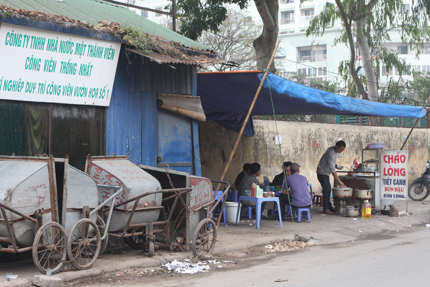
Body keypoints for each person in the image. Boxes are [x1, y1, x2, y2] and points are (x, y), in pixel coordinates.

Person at [317, 140, 346, 214]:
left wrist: (337, 166)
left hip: (325, 173)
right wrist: (339, 181)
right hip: (322, 173)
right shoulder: (331, 153)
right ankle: (326, 208)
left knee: (328, 190)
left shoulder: (333, 151)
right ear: (337, 146)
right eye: (341, 149)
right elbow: (332, 169)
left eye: (343, 150)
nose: (341, 151)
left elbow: (331, 163)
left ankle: (329, 206)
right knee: (327, 190)